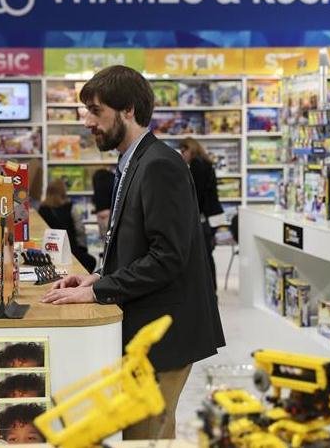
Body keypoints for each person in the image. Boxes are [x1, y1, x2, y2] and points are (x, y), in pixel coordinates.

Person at [42, 65, 225, 440]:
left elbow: (167, 257)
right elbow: (138, 243)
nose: (87, 122)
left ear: (128, 110)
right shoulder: (134, 161)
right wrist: (98, 276)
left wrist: (98, 291)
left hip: (164, 336)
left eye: (96, 111)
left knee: (146, 437)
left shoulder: (159, 165)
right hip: (148, 330)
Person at [179, 137, 224, 290]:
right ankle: (211, 290)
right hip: (214, 214)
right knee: (207, 253)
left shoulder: (197, 165)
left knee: (204, 254)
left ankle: (209, 290)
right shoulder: (205, 163)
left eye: (183, 151)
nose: (182, 155)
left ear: (190, 149)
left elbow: (197, 193)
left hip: (206, 217)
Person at [37, 179, 97, 273]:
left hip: (49, 251)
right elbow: (80, 229)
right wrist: (82, 249)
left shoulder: (42, 209)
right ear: (63, 192)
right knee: (91, 261)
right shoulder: (70, 208)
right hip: (71, 250)